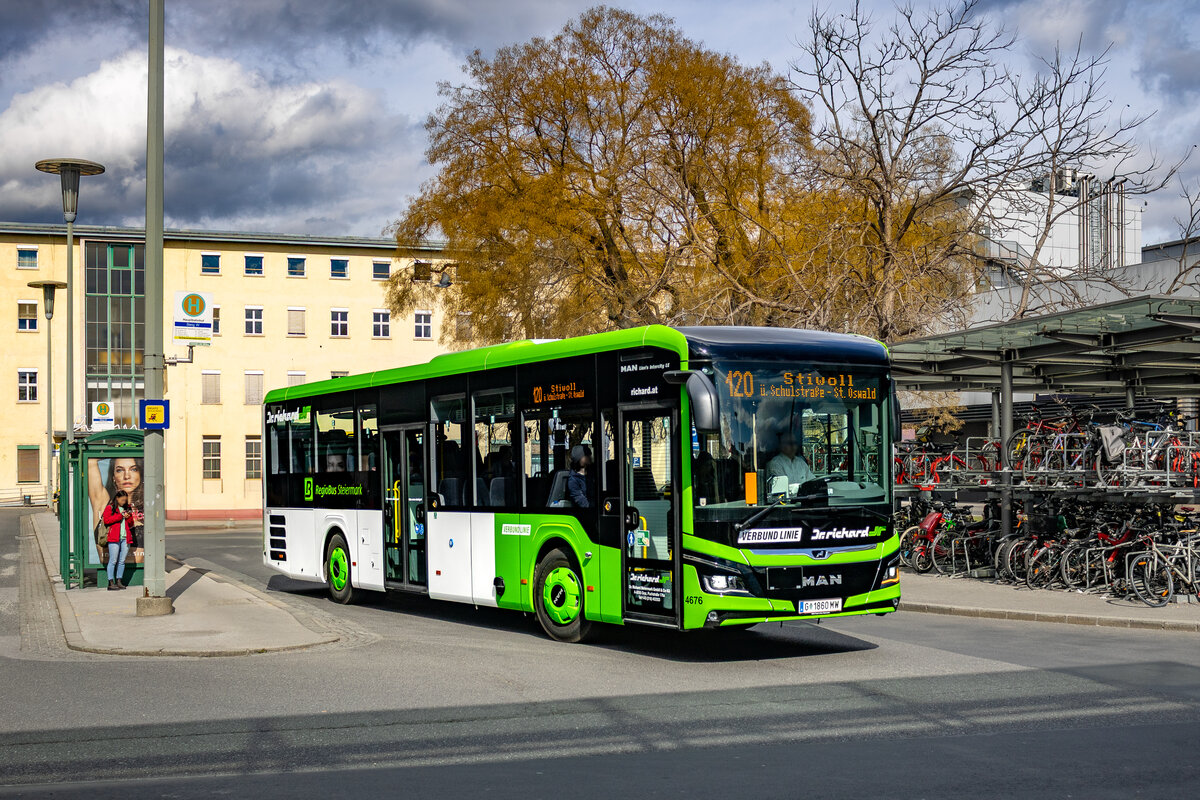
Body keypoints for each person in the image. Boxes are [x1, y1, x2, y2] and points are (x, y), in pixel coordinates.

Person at [88, 456, 144, 561]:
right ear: (113, 476)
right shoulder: (102, 502)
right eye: (119, 470)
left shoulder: (147, 505)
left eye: (133, 469)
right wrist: (115, 451)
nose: (126, 476)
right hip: (109, 573)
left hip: (139, 575)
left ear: (140, 474)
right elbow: (90, 461)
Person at [101, 490, 135, 590]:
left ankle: (119, 581)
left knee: (122, 561)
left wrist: (128, 518)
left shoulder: (127, 508)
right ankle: (110, 582)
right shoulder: (110, 508)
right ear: (117, 498)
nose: (124, 502)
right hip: (114, 538)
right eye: (122, 500)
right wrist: (120, 516)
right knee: (113, 560)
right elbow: (107, 520)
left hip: (125, 538)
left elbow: (131, 524)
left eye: (125, 500)